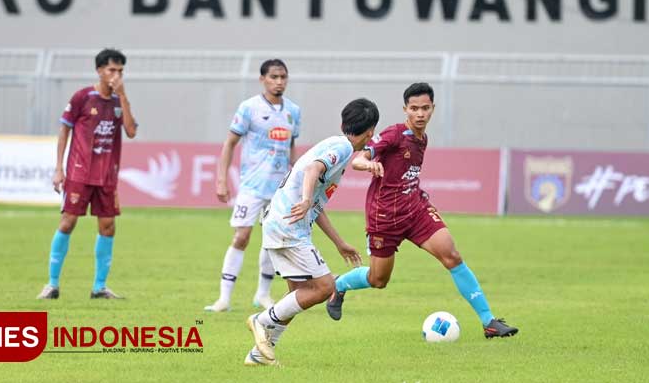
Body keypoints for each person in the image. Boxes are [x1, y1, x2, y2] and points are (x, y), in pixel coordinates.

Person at [326, 83, 518, 339]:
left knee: (452, 256)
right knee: (378, 279)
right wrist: (366, 164)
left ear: (432, 109)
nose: (420, 114)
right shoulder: (394, 134)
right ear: (405, 109)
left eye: (425, 108)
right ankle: (338, 285)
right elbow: (362, 155)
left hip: (416, 210)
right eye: (414, 108)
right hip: (384, 217)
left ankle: (489, 322)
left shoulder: (422, 139)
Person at [244, 98, 379, 366]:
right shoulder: (341, 147)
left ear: (343, 122)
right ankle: (260, 320)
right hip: (287, 226)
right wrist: (305, 199)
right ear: (370, 131)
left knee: (297, 293)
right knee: (325, 286)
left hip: (282, 222)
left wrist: (339, 242)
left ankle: (260, 354)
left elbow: (316, 206)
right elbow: (312, 168)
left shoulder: (336, 146)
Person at [37, 49, 137, 300]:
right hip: (80, 174)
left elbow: (131, 130)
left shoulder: (119, 102)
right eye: (112, 70)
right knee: (67, 222)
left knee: (107, 227)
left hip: (107, 177)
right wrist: (59, 168)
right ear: (99, 71)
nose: (116, 75)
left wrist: (123, 96)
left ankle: (99, 287)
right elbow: (64, 131)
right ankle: (51, 284)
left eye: (120, 71)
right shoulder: (83, 97)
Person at [205, 59, 301, 312]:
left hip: (280, 188)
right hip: (251, 186)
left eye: (283, 77)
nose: (279, 81)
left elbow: (291, 147)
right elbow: (229, 143)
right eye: (274, 77)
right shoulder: (249, 108)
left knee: (273, 239)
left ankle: (263, 294)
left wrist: (299, 176)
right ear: (263, 80)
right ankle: (224, 298)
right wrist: (222, 179)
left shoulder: (293, 111)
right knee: (242, 236)